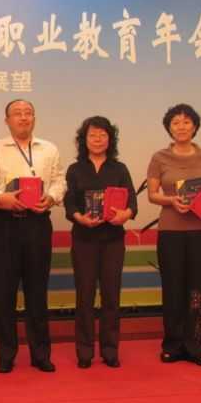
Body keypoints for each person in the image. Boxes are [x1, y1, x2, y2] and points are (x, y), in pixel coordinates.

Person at [0, 99, 65, 373]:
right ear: (7, 120)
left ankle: (41, 354)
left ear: (34, 118)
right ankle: (6, 354)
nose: (23, 118)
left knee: (37, 291)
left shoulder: (49, 148)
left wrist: (51, 197)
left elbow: (59, 180)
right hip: (5, 224)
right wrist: (1, 197)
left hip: (38, 223)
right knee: (4, 292)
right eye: (17, 113)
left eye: (28, 113)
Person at [147, 103, 201, 367]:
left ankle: (198, 345)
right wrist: (171, 201)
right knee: (173, 287)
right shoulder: (159, 158)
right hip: (171, 232)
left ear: (195, 126)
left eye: (187, 122)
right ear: (169, 127)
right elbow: (152, 194)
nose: (181, 127)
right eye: (176, 122)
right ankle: (173, 344)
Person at [64, 116, 137, 369]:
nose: (97, 140)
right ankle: (84, 351)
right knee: (84, 296)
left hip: (112, 240)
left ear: (110, 139)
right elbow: (69, 203)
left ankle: (110, 349)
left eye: (103, 135)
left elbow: (132, 202)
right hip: (83, 239)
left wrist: (124, 215)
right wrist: (79, 218)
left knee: (111, 296)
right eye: (92, 135)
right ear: (84, 140)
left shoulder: (119, 169)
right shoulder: (75, 169)